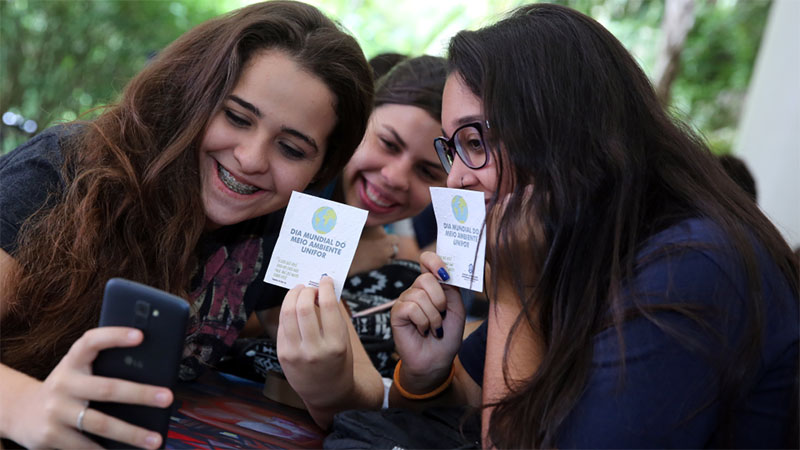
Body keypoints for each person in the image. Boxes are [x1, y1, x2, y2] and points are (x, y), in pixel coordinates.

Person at [386, 4, 798, 449]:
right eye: (454, 149)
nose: (455, 178)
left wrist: (510, 296)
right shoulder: (579, 239)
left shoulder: (693, 264)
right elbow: (471, 396)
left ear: (555, 133)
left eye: (474, 141)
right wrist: (425, 372)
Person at [0, 2, 373, 448]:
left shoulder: (285, 230)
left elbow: (366, 391)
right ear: (192, 94)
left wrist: (329, 386)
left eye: (291, 148)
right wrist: (23, 405)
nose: (251, 159)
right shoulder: (64, 172)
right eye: (236, 117)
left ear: (319, 171)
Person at [227, 55, 449, 425]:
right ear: (357, 123)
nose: (395, 176)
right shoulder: (299, 193)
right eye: (388, 144)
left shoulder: (378, 239)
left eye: (427, 171)